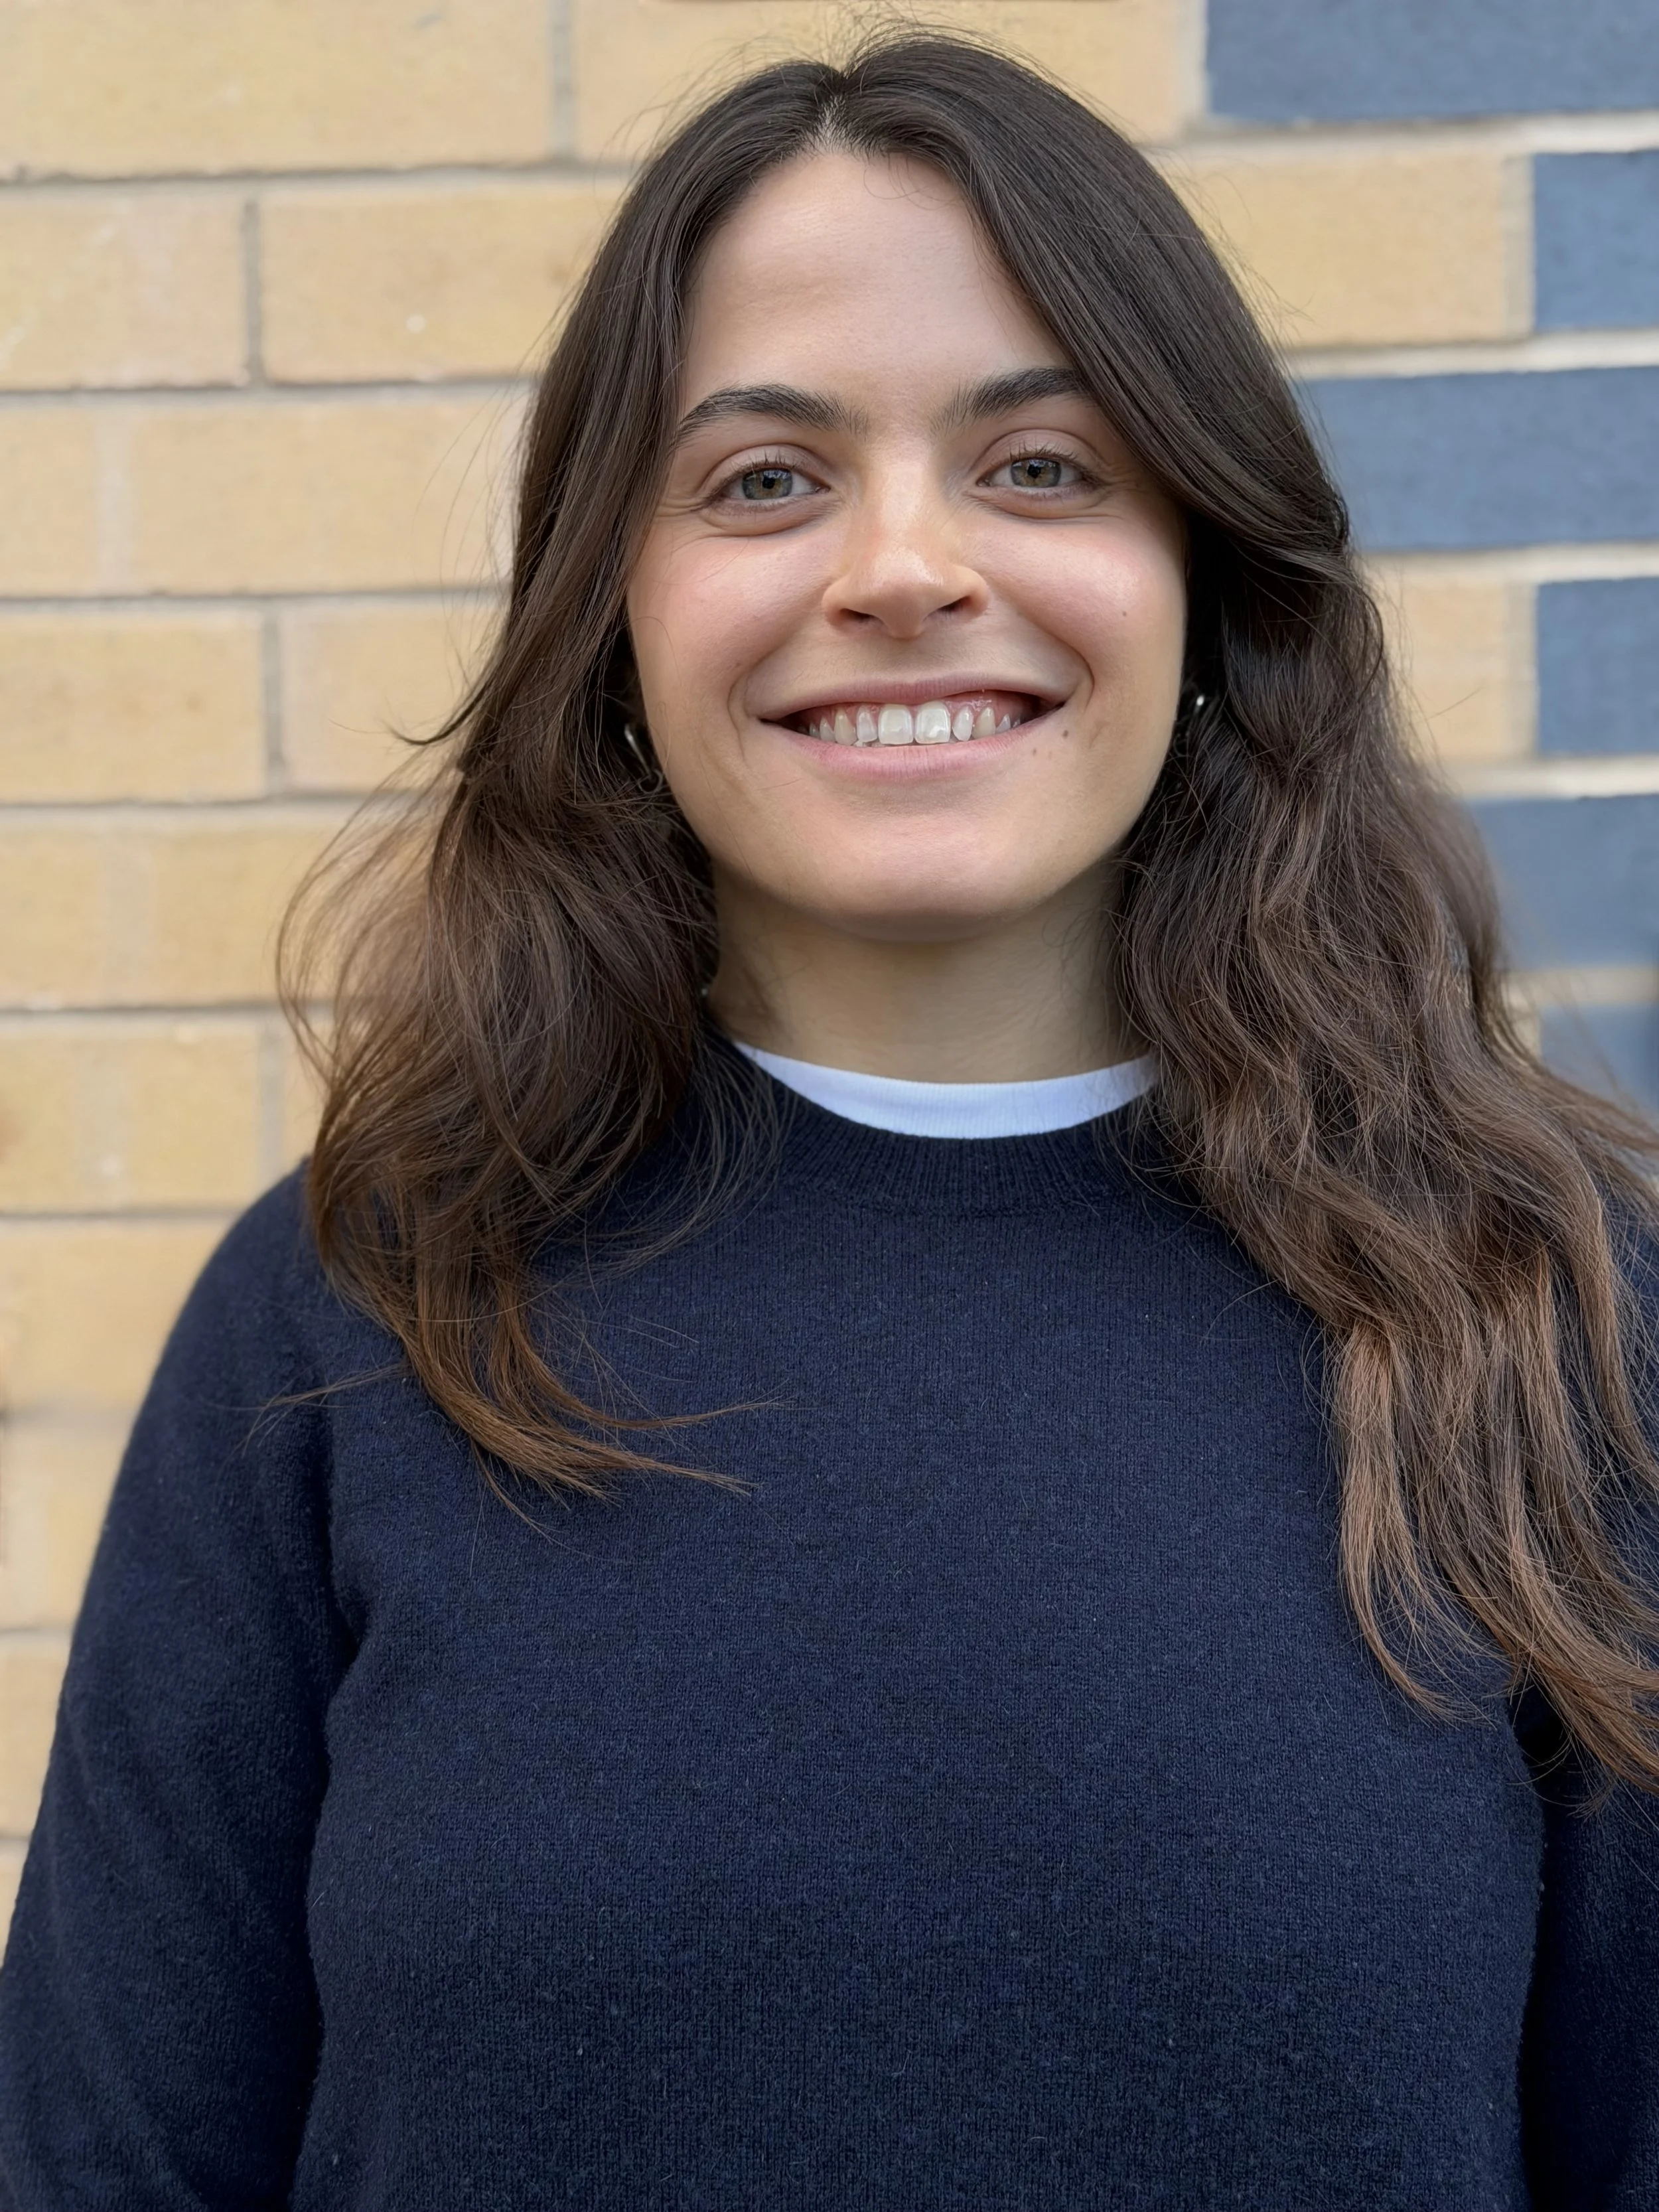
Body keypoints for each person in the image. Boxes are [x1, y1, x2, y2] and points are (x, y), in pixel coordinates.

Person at [3, 33, 1659, 2209]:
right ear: (612, 608)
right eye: (764, 479)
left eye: (1043, 465)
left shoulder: (1548, 1312)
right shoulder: (356, 1309)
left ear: (1206, 573)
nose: (902, 567)